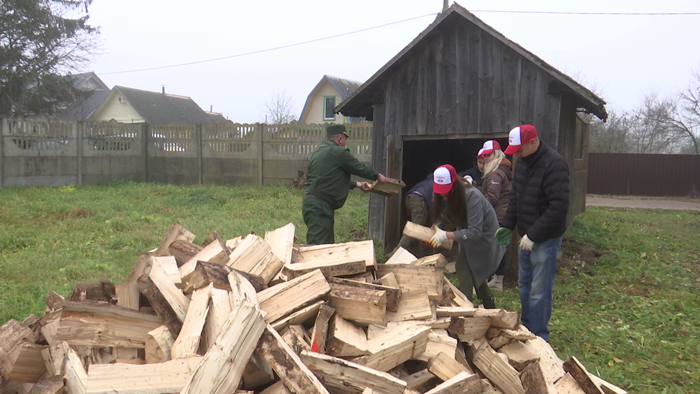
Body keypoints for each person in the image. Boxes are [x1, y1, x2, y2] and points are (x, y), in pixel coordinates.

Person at [495, 124, 569, 340]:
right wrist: (507, 225)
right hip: (526, 237)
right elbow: (516, 197)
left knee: (539, 291)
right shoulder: (523, 163)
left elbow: (559, 207)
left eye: (520, 148)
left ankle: (539, 336)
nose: (516, 153)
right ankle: (527, 329)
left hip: (544, 238)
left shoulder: (554, 164)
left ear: (533, 142)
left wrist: (534, 235)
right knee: (525, 286)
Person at [428, 164, 504, 309]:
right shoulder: (439, 194)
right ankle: (488, 303)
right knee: (472, 265)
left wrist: (446, 235)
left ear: (454, 184)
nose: (443, 195)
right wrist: (435, 229)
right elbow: (442, 216)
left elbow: (475, 232)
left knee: (463, 266)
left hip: (484, 234)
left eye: (446, 191)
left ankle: (465, 306)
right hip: (466, 231)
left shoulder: (471, 196)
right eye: (440, 191)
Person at [303, 124, 387, 245]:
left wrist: (358, 184)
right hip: (320, 207)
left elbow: (330, 179)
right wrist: (378, 176)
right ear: (340, 139)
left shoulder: (320, 152)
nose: (345, 143)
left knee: (325, 245)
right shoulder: (338, 152)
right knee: (318, 249)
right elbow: (358, 167)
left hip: (313, 204)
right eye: (345, 140)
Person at [478, 140, 513, 291]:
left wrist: (477, 205)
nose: (486, 158)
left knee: (494, 248)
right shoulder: (503, 171)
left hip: (497, 216)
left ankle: (496, 280)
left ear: (497, 154)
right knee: (499, 247)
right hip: (502, 215)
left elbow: (492, 197)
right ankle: (496, 279)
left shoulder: (495, 174)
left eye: (489, 155)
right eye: (485, 155)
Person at [396, 173, 435, 258]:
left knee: (423, 230)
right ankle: (395, 255)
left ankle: (422, 255)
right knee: (414, 230)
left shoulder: (428, 181)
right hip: (419, 200)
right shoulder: (438, 184)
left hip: (411, 198)